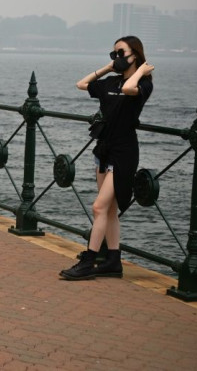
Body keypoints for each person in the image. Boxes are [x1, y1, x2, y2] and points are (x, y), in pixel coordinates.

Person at [60, 36, 154, 281]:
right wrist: (108, 68)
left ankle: (89, 261)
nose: (117, 58)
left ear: (136, 53)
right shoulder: (110, 81)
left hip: (124, 152)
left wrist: (141, 70)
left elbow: (128, 89)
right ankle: (113, 261)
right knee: (109, 209)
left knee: (99, 207)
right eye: (114, 54)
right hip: (103, 150)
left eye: (121, 53)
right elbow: (81, 84)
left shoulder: (143, 84)